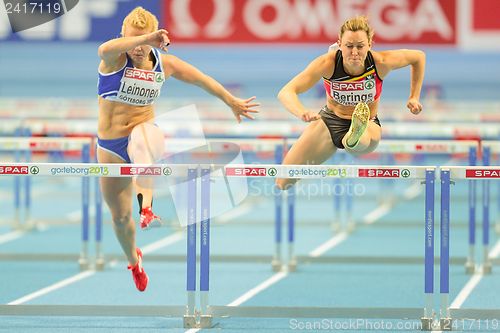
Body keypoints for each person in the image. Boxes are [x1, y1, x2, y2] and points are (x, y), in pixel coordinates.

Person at [96, 7, 259, 291]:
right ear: (124, 36)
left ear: (155, 42)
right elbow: (104, 47)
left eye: (144, 42)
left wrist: (230, 100)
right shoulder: (113, 59)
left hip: (144, 132)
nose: (138, 48)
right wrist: (143, 38)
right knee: (120, 218)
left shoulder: (164, 64)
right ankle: (134, 260)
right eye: (133, 40)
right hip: (109, 145)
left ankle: (147, 208)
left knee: (142, 141)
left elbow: (201, 79)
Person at [276, 15, 425, 190]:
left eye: (360, 46)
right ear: (339, 44)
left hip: (368, 123)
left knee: (355, 143)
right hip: (330, 121)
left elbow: (418, 57)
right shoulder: (327, 63)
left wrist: (414, 96)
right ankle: (352, 135)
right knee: (283, 182)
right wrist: (301, 111)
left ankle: (355, 133)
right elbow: (286, 92)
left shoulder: (381, 62)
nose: (354, 52)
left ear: (370, 44)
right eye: (349, 46)